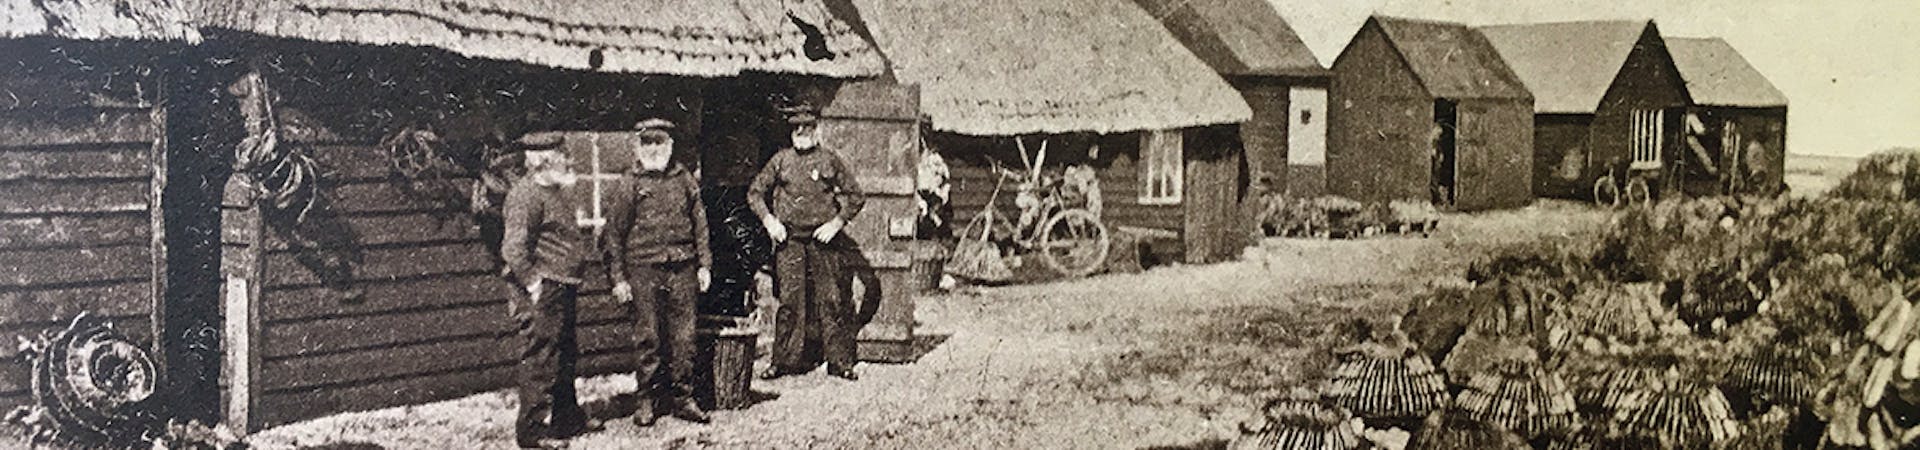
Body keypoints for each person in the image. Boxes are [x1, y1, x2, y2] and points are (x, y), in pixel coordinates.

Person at [602, 119, 712, 426]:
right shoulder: (630, 183)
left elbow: (700, 225)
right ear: (638, 146)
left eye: (659, 142)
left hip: (683, 267)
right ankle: (647, 400)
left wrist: (705, 264)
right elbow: (613, 235)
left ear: (670, 145)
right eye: (647, 142)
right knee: (648, 337)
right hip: (643, 269)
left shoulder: (684, 179)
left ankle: (683, 399)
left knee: (685, 337)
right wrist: (619, 278)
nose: (653, 148)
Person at [749, 105, 866, 381]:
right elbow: (755, 193)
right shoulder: (780, 160)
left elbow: (856, 195)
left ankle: (839, 362)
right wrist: (770, 222)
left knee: (832, 300)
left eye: (807, 128)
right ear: (791, 132)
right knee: (790, 301)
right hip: (790, 241)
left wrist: (836, 224)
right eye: (796, 128)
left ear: (816, 130)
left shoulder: (829, 160)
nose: (801, 133)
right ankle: (784, 361)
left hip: (822, 242)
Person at [501, 145, 598, 449]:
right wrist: (532, 282)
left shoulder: (553, 191)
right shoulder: (525, 194)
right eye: (563, 156)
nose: (570, 160)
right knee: (542, 356)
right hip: (543, 289)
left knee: (564, 353)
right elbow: (513, 249)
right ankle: (532, 432)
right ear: (543, 161)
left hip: (561, 285)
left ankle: (566, 417)